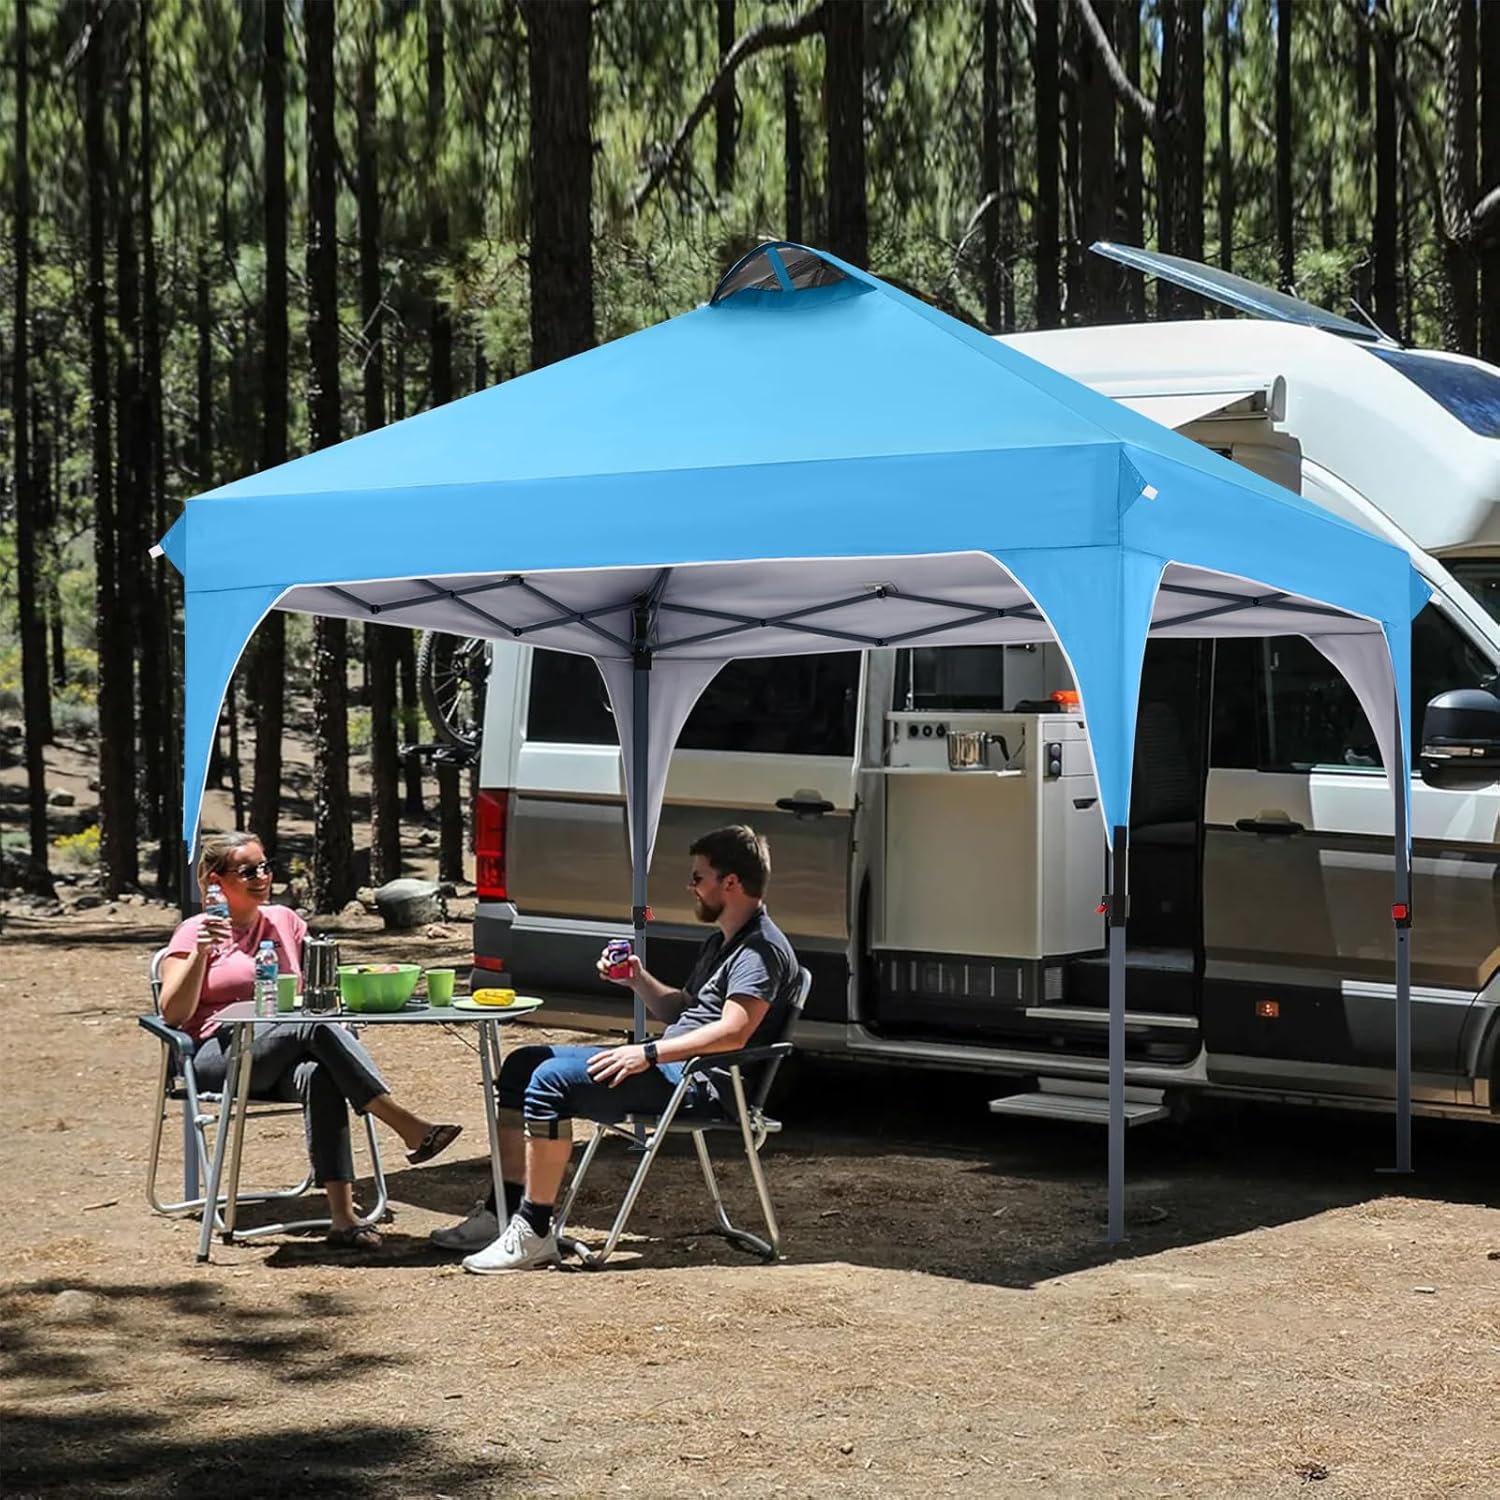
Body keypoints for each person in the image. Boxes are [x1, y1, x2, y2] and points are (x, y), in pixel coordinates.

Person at [431, 824, 800, 1274]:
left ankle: (534, 1231)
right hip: (675, 1067)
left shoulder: (760, 951)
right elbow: (683, 1009)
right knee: (523, 1065)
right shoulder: (722, 940)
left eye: (698, 878)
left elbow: (733, 1033)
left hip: (700, 1084)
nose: (690, 888)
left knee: (548, 1083)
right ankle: (503, 1213)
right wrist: (636, 978)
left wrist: (646, 1055)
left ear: (731, 883)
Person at [159, 831, 463, 1250]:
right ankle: (407, 1125)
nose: (262, 876)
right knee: (314, 1026)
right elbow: (172, 1014)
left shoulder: (285, 922)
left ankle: (343, 1218)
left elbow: (319, 990)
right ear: (216, 879)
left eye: (266, 866)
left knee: (322, 1072)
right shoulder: (195, 931)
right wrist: (200, 955)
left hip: (285, 1052)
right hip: (217, 1054)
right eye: (248, 870)